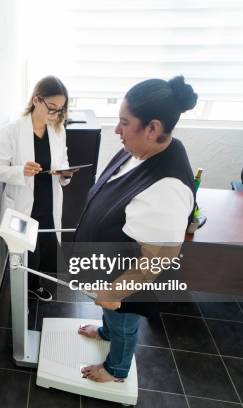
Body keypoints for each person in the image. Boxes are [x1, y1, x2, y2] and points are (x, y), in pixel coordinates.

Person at [74, 76, 198, 382]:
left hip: (129, 282)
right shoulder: (143, 148)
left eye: (124, 122)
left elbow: (162, 255)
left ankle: (116, 370)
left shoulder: (168, 188)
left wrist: (115, 290)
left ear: (153, 128)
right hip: (109, 269)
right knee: (112, 316)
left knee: (125, 322)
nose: (117, 129)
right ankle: (106, 331)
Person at [0, 76, 73, 301]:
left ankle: (34, 285)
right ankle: (22, 293)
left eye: (61, 109)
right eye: (52, 108)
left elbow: (63, 161)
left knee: (43, 246)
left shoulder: (58, 130)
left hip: (48, 201)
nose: (56, 114)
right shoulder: (12, 131)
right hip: (21, 203)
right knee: (25, 250)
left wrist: (65, 174)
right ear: (37, 100)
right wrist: (21, 170)